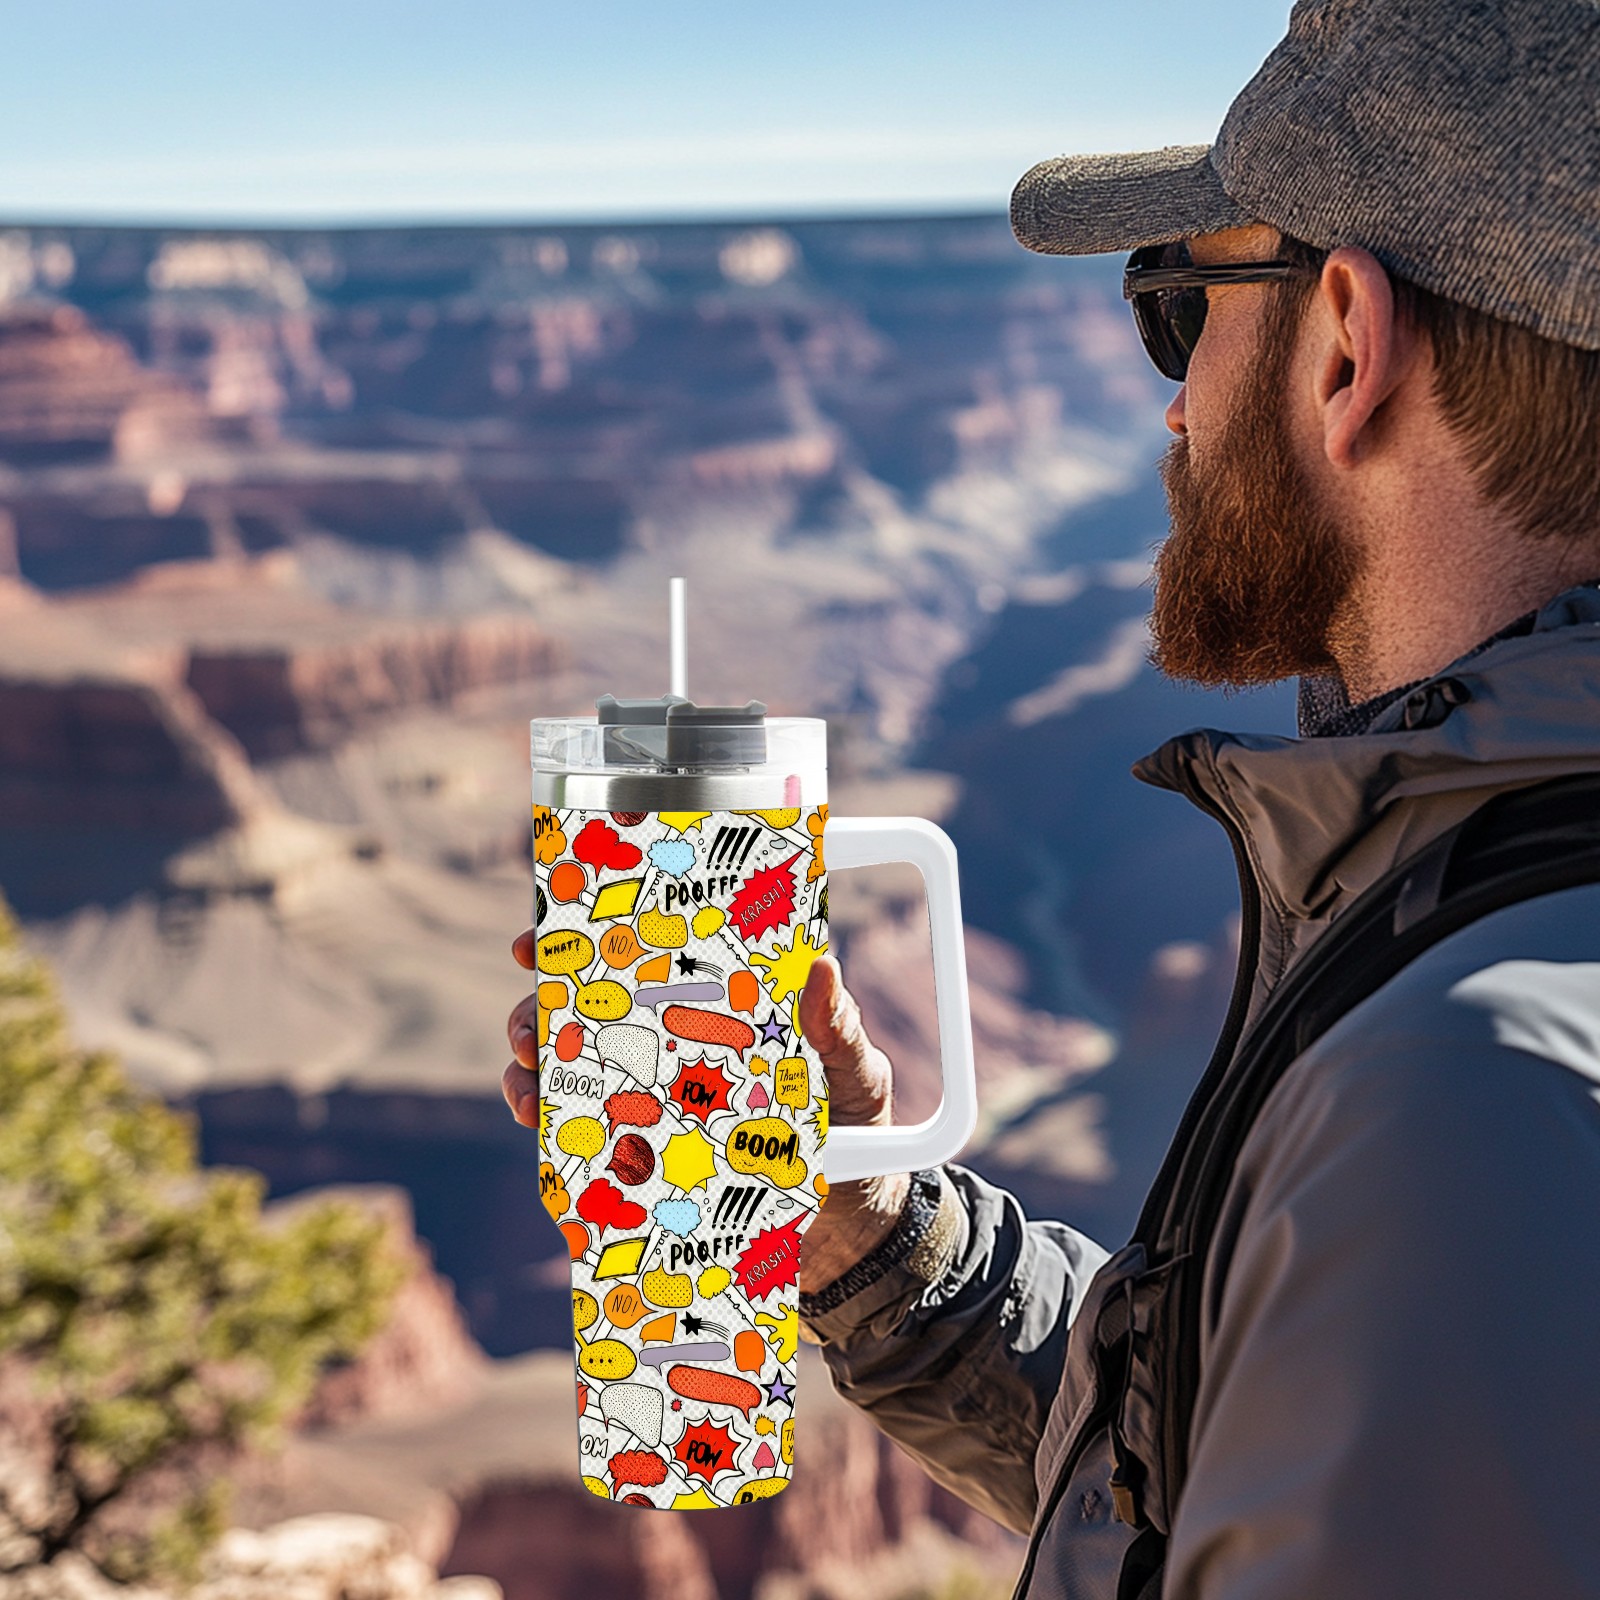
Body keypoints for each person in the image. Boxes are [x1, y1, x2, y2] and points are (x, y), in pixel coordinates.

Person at [505, 0, 1600, 1592]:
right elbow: (1238, 1473)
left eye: (1182, 305)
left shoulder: (1460, 1103)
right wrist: (863, 1221)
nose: (1174, 402)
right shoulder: (1494, 968)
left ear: (1346, 344)